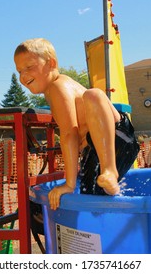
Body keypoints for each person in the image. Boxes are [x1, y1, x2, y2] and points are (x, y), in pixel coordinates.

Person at [14, 38, 139, 210]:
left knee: (93, 95)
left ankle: (109, 170)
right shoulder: (52, 91)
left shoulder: (58, 86)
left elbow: (68, 134)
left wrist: (69, 184)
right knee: (93, 196)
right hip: (99, 148)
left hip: (117, 136)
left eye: (29, 67)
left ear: (51, 63)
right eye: (19, 71)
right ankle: (113, 189)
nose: (23, 75)